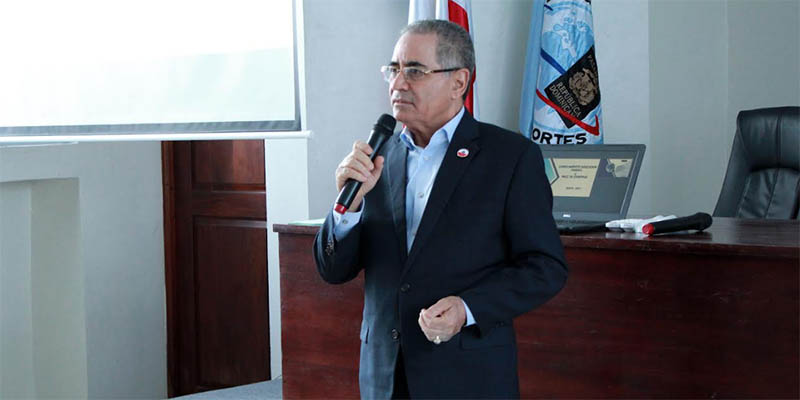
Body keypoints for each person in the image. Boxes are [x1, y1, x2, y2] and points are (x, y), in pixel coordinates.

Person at [313, 19, 567, 399]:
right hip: (384, 376)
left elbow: (545, 266)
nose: (398, 84)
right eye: (394, 70)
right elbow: (333, 270)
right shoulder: (376, 156)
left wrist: (467, 309)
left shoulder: (509, 157)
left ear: (459, 82)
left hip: (467, 374)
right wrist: (347, 209)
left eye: (415, 71)